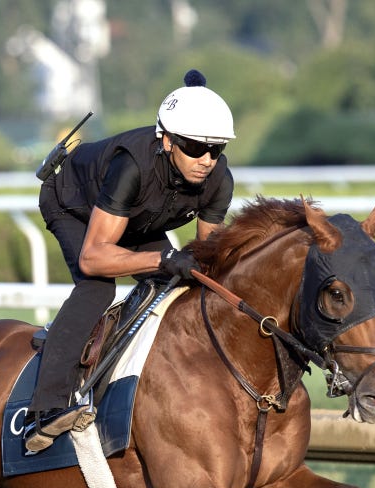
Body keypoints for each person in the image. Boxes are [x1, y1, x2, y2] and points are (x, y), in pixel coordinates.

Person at [24, 69, 236, 452]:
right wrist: (164, 258)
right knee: (97, 288)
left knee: (182, 280)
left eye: (216, 149)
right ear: (167, 139)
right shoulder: (132, 166)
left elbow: (209, 253)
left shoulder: (218, 179)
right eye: (193, 147)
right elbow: (93, 258)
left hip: (136, 216)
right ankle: (46, 408)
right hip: (73, 204)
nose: (206, 160)